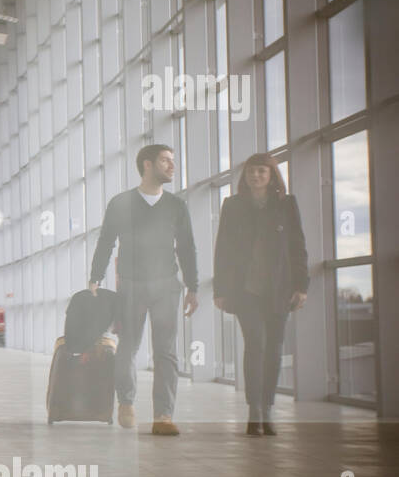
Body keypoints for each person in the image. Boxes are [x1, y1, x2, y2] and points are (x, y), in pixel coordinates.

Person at [89, 144, 199, 436]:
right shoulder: (121, 203)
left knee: (166, 352)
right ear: (147, 165)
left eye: (172, 161)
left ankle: (163, 415)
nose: (172, 166)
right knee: (128, 347)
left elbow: (187, 247)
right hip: (132, 286)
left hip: (166, 286)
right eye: (165, 161)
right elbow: (105, 242)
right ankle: (126, 401)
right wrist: (95, 277)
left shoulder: (177, 206)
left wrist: (193, 286)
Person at [213, 153, 308, 436]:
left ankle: (267, 408)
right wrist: (220, 290)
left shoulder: (286, 205)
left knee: (275, 348)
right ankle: (254, 410)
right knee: (256, 343)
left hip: (279, 288)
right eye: (252, 172)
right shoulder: (233, 206)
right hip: (246, 290)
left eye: (262, 172)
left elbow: (298, 246)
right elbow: (223, 251)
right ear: (245, 176)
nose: (256, 176)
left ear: (271, 175)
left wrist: (302, 286)